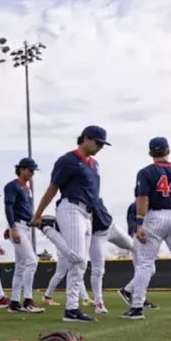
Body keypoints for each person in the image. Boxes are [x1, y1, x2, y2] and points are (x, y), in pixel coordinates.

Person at [31, 125, 110, 323]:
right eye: (97, 142)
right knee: (77, 258)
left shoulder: (95, 165)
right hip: (70, 208)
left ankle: (72, 309)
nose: (100, 147)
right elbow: (53, 188)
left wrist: (92, 214)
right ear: (86, 138)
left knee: (79, 265)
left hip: (87, 213)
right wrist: (39, 213)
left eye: (102, 144)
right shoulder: (68, 160)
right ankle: (47, 227)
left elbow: (93, 193)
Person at [122, 137, 171, 321]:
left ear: (150, 153)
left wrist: (139, 222)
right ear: (168, 150)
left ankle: (137, 308)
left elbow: (143, 199)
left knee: (144, 264)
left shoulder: (146, 172)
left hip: (155, 217)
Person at [4, 158, 42, 313]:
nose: (32, 173)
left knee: (20, 267)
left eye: (33, 170)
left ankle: (14, 302)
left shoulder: (26, 188)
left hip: (25, 226)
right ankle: (27, 300)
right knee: (32, 261)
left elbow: (26, 209)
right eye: (30, 170)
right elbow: (8, 207)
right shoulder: (12, 186)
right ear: (21, 169)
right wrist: (12, 228)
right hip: (17, 226)